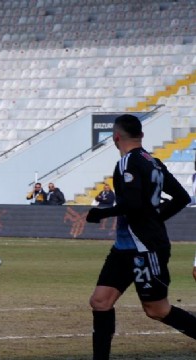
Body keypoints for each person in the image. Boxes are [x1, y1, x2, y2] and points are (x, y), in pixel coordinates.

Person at [85, 114, 196, 359]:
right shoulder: (153, 161)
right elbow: (182, 198)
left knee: (157, 310)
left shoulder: (127, 162)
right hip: (126, 246)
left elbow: (133, 204)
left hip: (145, 247)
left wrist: (101, 213)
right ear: (142, 136)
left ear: (115, 138)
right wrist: (155, 218)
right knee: (100, 301)